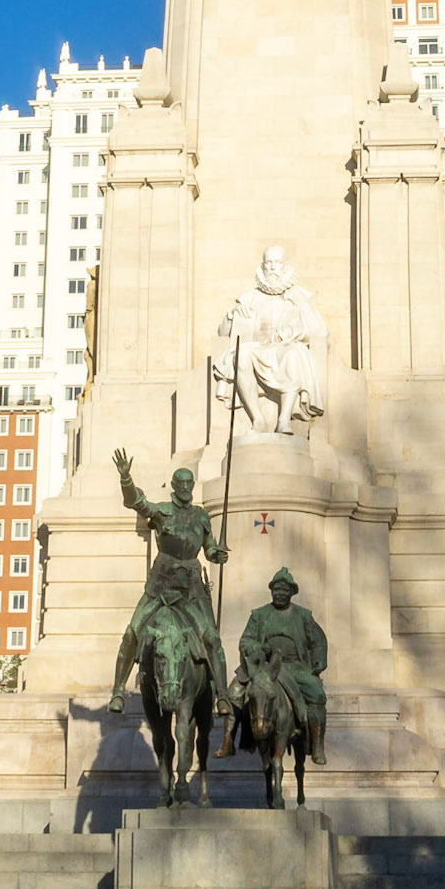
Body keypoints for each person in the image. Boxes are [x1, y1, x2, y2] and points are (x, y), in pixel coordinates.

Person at [106, 449, 230, 716]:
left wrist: (215, 554)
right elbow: (137, 503)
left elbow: (208, 547)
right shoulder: (162, 512)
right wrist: (126, 479)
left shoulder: (200, 516)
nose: (185, 487)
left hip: (192, 588)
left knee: (212, 638)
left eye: (189, 483)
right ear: (173, 486)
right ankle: (118, 691)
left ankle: (222, 695)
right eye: (181, 483)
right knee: (132, 632)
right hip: (161, 586)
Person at [215, 566, 328, 765]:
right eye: (277, 589)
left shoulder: (303, 616)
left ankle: (317, 745)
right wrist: (260, 648)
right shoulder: (259, 615)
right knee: (234, 691)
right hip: (263, 666)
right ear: (271, 591)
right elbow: (245, 641)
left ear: (292, 593)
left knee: (316, 694)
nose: (280, 593)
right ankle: (228, 742)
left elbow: (318, 641)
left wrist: (319, 661)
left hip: (295, 666)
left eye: (285, 590)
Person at [212, 246, 327, 437]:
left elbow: (321, 333)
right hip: (257, 347)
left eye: (278, 263)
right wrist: (231, 318)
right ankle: (258, 419)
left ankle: (284, 420)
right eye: (269, 263)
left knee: (293, 355)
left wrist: (303, 307)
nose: (273, 268)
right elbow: (222, 333)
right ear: (263, 265)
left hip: (286, 347)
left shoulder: (299, 296)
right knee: (241, 357)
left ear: (285, 266)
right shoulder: (249, 298)